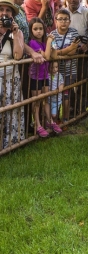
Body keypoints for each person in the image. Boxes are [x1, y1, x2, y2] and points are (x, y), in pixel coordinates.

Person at [28, 17, 62, 137]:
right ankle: (37, 124)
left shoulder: (44, 42)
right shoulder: (33, 43)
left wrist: (51, 44)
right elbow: (46, 57)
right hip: (35, 77)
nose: (38, 31)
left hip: (45, 76)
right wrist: (48, 43)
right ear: (31, 31)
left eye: (41, 29)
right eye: (35, 29)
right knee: (36, 101)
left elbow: (53, 56)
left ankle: (50, 122)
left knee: (46, 99)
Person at [0, 0, 25, 149]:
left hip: (10, 78)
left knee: (10, 109)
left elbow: (18, 56)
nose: (4, 13)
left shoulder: (17, 32)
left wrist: (15, 34)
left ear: (12, 15)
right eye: (1, 10)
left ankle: (9, 143)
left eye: (7, 11)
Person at [49, 8, 80, 122]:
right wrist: (68, 49)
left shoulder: (74, 32)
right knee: (55, 95)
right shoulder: (52, 35)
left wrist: (60, 52)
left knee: (66, 95)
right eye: (60, 19)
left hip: (70, 71)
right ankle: (55, 119)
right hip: (55, 72)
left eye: (66, 19)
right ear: (55, 21)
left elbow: (73, 51)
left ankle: (65, 119)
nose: (63, 22)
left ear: (70, 21)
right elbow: (53, 53)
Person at [65, 0, 88, 115]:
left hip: (81, 55)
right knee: (68, 83)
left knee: (82, 80)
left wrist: (87, 44)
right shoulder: (63, 13)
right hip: (66, 55)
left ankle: (82, 109)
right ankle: (70, 109)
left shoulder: (87, 13)